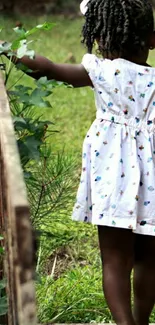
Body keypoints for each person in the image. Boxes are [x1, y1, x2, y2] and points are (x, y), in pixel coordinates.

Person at [2, 0, 155, 324]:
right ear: (153, 39)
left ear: (98, 39)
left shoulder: (100, 70)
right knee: (149, 261)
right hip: (152, 178)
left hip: (113, 173)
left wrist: (11, 49)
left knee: (114, 260)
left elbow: (48, 69)